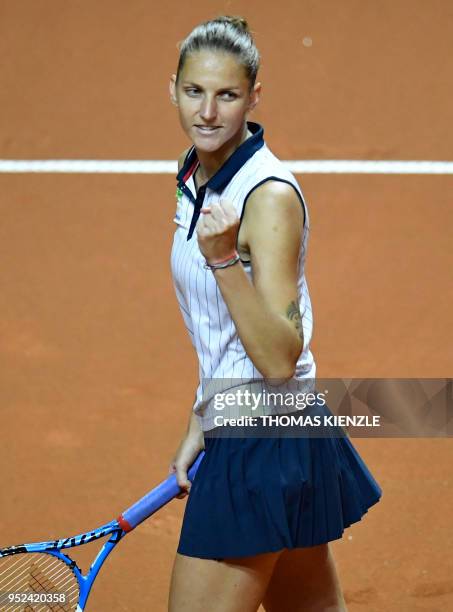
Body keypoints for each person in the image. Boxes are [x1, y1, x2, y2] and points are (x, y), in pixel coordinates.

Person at [167, 15, 382, 612]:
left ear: (253, 97)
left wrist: (222, 263)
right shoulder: (195, 176)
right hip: (262, 427)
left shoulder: (268, 198)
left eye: (227, 95)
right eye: (194, 92)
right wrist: (198, 421)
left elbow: (279, 356)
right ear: (173, 89)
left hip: (262, 440)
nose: (208, 112)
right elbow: (217, 332)